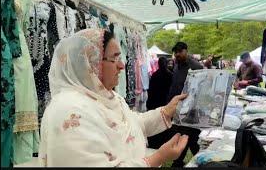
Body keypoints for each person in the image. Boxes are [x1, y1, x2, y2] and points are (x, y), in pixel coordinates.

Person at [38, 29, 189, 167]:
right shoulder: (68, 110)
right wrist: (157, 158)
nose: (122, 66)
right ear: (91, 62)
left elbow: (130, 123)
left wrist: (167, 111)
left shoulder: (107, 97)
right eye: (114, 59)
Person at [166, 42, 203, 167]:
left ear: (186, 51)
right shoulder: (177, 65)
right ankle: (183, 161)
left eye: (179, 51)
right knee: (186, 136)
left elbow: (202, 88)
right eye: (175, 52)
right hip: (178, 107)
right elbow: (175, 85)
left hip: (191, 109)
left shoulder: (196, 66)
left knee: (189, 136)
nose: (177, 54)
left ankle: (179, 162)